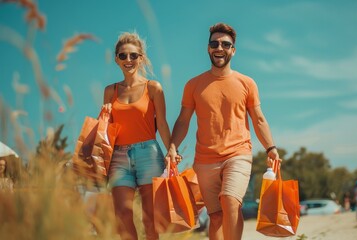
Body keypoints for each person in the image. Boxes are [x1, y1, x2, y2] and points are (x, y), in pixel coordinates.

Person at [165, 23, 280, 240]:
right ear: (208, 48)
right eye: (214, 43)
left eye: (225, 44)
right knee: (215, 216)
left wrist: (271, 148)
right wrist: (172, 146)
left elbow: (259, 119)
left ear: (233, 50)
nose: (219, 47)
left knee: (230, 200)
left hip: (238, 154)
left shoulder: (247, 83)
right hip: (205, 159)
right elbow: (183, 120)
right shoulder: (193, 85)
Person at [102, 32, 174, 240]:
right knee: (122, 216)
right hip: (119, 157)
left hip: (148, 155)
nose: (128, 60)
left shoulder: (153, 88)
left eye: (133, 56)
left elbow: (161, 123)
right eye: (123, 56)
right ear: (116, 59)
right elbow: (106, 128)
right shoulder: (110, 91)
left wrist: (171, 150)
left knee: (151, 218)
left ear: (141, 58)